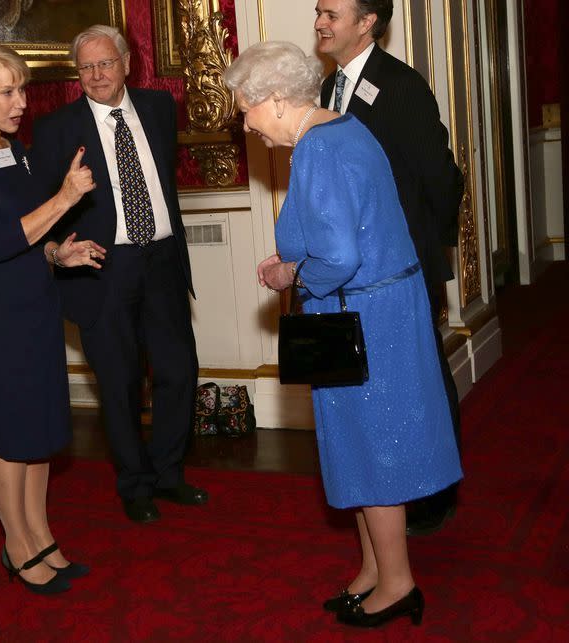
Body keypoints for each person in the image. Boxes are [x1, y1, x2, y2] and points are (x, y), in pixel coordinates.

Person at [224, 41, 462, 627]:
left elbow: (338, 256)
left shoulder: (318, 151)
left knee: (375, 451)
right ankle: (373, 569)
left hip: (362, 317)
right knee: (360, 446)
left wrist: (288, 271)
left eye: (246, 108)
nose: (244, 123)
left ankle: (398, 582)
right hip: (377, 309)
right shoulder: (345, 128)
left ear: (275, 100)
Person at [0, 40, 103, 595]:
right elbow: (2, 238)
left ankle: (41, 537)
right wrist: (65, 196)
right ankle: (16, 545)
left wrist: (60, 253)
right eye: (7, 91)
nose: (20, 102)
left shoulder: (16, 150)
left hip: (35, 300)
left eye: (22, 89)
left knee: (38, 427)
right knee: (11, 430)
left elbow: (33, 235)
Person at [28, 25, 205, 524]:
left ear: (127, 62)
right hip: (102, 268)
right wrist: (56, 248)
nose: (97, 75)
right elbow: (44, 206)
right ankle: (135, 483)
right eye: (86, 67)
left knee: (177, 371)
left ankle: (169, 474)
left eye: (106, 63)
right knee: (121, 380)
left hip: (164, 259)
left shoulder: (158, 108)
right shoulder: (56, 129)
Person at [315, 0, 464, 535]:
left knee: (421, 380)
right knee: (373, 388)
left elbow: (443, 181)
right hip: (352, 275)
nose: (320, 23)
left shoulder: (400, 85)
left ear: (367, 21)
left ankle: (436, 494)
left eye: (332, 13)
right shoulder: (327, 88)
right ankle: (382, 487)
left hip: (401, 269)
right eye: (318, 11)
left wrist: (428, 252)